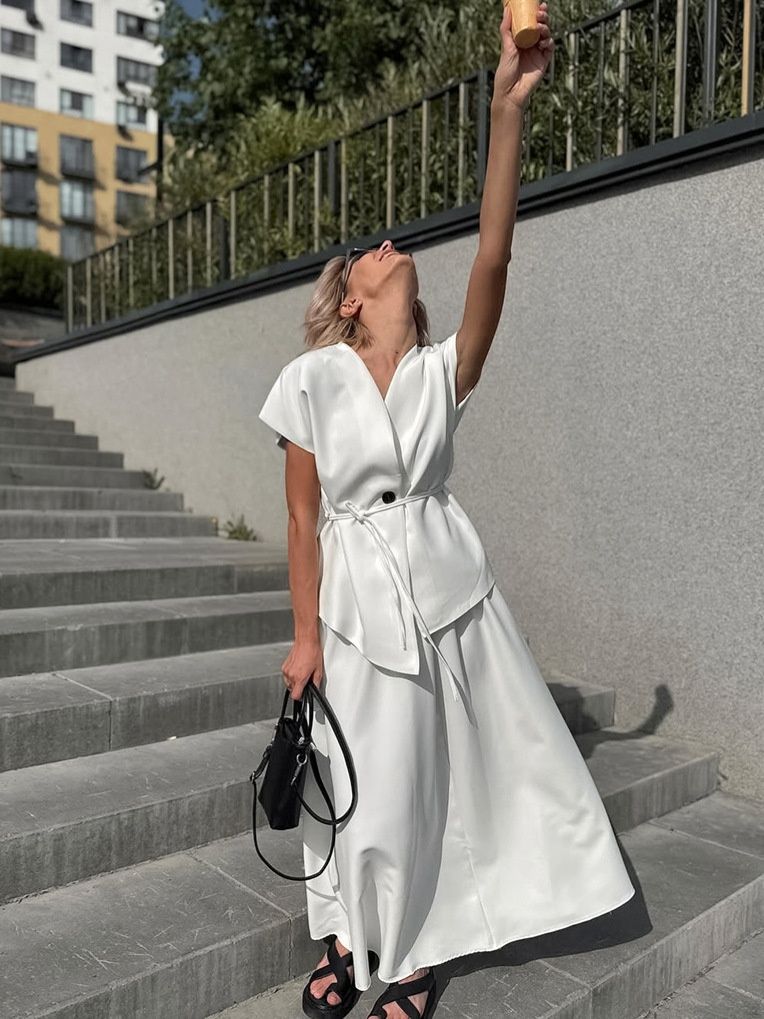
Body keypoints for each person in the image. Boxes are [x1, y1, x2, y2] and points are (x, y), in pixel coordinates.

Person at [257, 5, 635, 1018]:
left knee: (428, 777)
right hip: (349, 602)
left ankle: (417, 950)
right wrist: (304, 635)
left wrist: (507, 108)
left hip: (443, 597)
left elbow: (494, 257)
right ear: (348, 299)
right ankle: (348, 935)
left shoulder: (440, 372)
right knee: (351, 771)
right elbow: (299, 519)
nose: (388, 245)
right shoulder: (308, 379)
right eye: (369, 252)